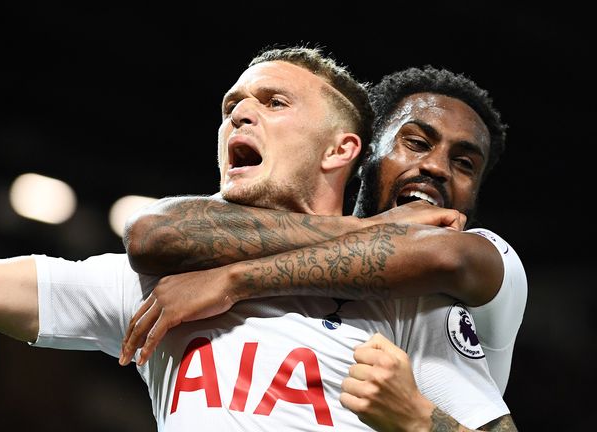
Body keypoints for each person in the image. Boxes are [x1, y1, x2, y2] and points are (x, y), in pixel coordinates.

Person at [0, 27, 513, 431]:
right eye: (232, 107)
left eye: (273, 103)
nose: (239, 117)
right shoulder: (160, 282)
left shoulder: (406, 297)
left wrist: (421, 424)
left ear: (340, 150)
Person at [117, 65, 526, 427]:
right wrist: (370, 226)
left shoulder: (455, 282)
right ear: (364, 156)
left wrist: (232, 280)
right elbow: (154, 233)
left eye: (464, 164)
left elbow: (442, 255)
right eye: (417, 143)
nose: (437, 167)